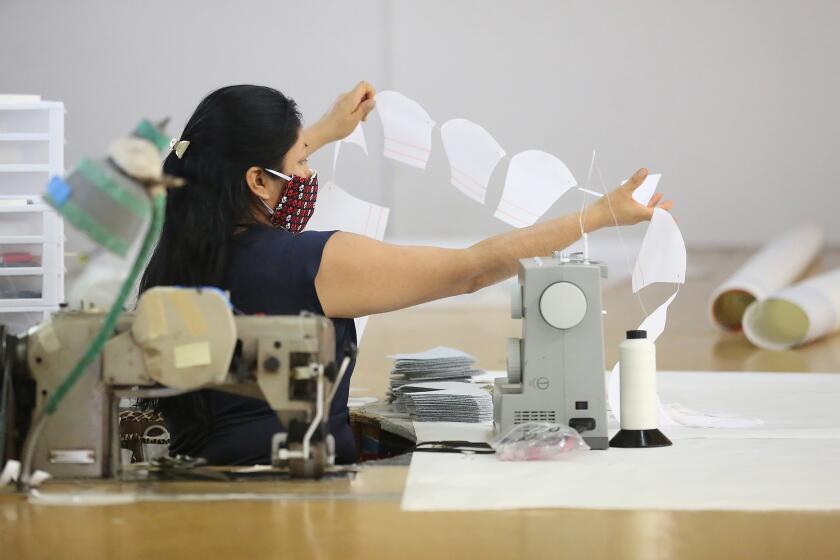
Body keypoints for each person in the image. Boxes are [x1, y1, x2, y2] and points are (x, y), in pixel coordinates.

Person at [140, 81, 673, 465]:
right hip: (285, 481)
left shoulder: (169, 260)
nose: (308, 176)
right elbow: (469, 270)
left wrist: (326, 129)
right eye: (299, 163)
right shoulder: (314, 264)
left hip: (199, 464)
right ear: (258, 179)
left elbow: (237, 163)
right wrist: (599, 216)